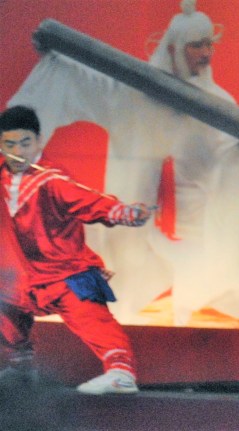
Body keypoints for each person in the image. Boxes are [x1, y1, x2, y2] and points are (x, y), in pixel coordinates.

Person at [7, 0, 239, 329]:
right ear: (173, 48)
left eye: (208, 45)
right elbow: (81, 80)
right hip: (136, 221)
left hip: (195, 227)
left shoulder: (219, 105)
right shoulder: (131, 94)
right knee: (100, 272)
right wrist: (57, 58)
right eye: (196, 46)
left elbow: (225, 161)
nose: (205, 54)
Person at [0, 106, 152, 394]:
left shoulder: (53, 180)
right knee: (6, 311)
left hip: (66, 273)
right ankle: (21, 370)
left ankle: (121, 373)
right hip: (19, 278)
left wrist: (123, 212)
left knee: (94, 320)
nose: (18, 152)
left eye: (25, 143)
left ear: (39, 141)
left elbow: (90, 201)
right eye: (10, 144)